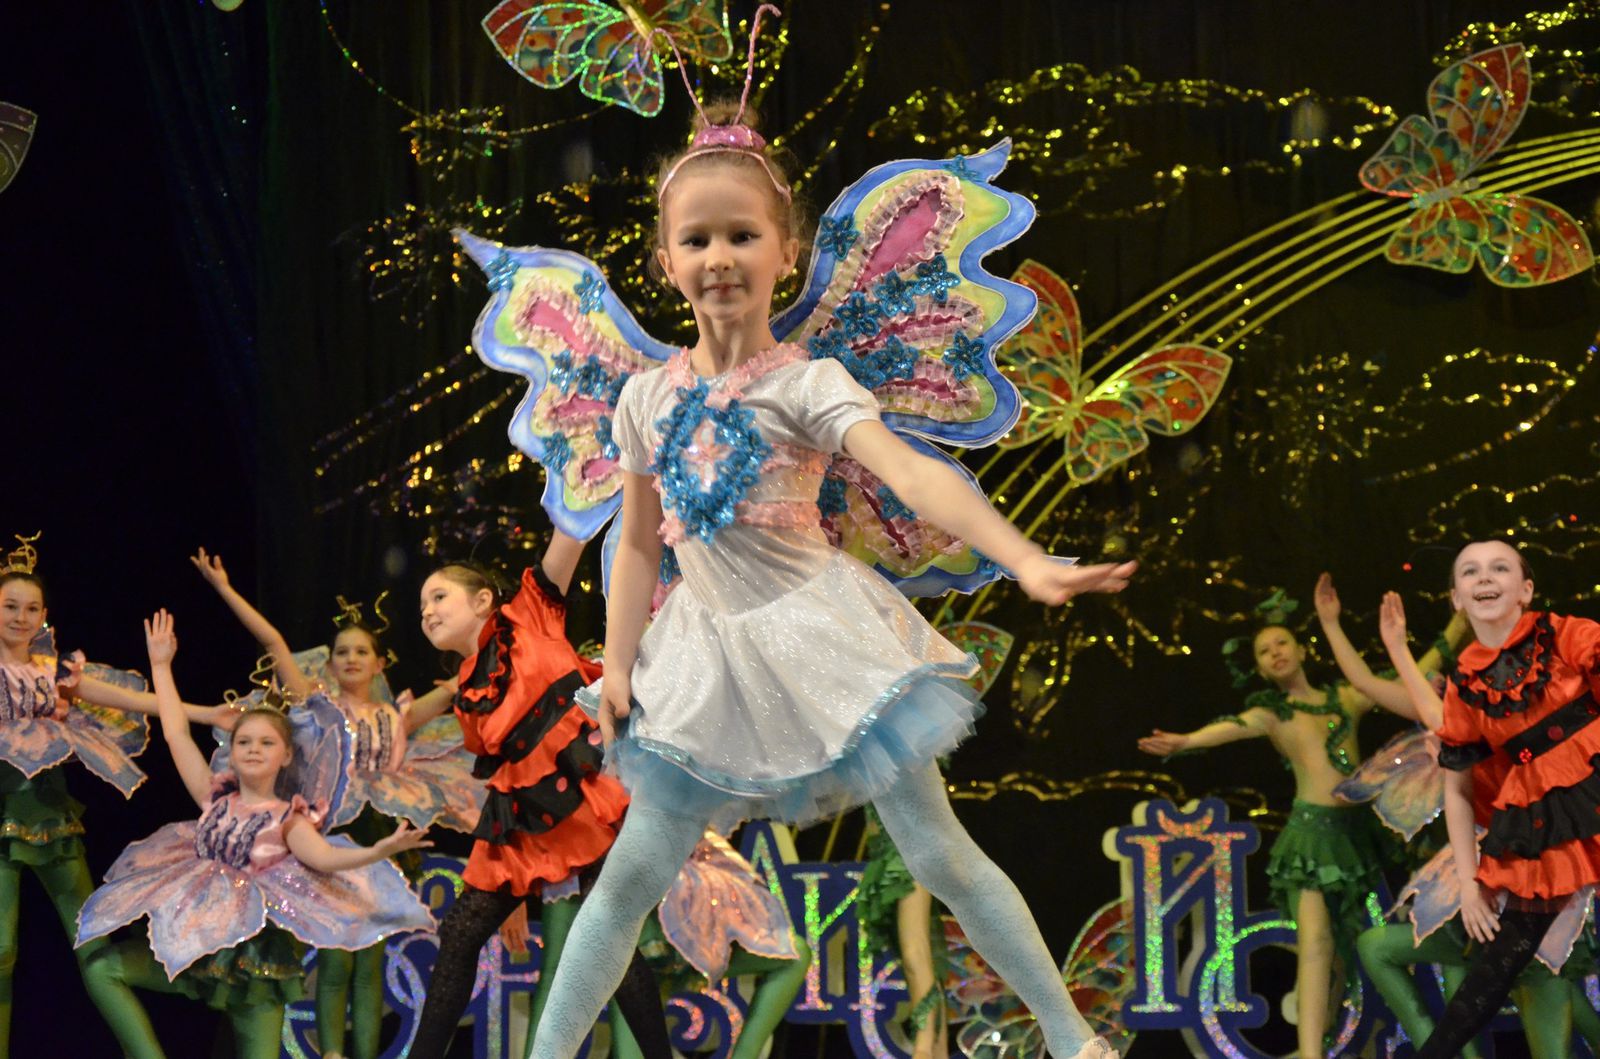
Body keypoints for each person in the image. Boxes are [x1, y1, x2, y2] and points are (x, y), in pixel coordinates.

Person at [520, 66, 1135, 1056]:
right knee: (630, 877)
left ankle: (1072, 1041)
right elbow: (634, 543)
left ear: (787, 250)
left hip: (827, 635)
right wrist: (620, 664)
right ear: (665, 261)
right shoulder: (644, 400)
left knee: (937, 851)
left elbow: (913, 475)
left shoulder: (808, 383)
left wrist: (1022, 558)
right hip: (700, 655)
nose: (720, 257)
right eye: (696, 240)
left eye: (741, 235)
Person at [75, 610, 434, 1059]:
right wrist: (162, 666)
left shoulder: (289, 819)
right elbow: (175, 732)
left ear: (287, 755)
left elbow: (324, 858)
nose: (253, 750)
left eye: (266, 743)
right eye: (244, 742)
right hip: (200, 946)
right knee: (102, 968)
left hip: (255, 966)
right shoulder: (214, 796)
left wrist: (379, 850)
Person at [1137, 575, 1461, 1059]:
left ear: (1302, 650)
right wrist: (1187, 741)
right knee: (1316, 943)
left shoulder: (1346, 697)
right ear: (1260, 670)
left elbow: (1409, 679)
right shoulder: (1274, 714)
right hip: (1310, 839)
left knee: (1348, 952)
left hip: (1355, 838)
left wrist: (1458, 626)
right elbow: (1232, 727)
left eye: (1281, 643)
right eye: (1265, 652)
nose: (1275, 654)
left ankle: (1330, 1035)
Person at [191, 548, 474, 1059]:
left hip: (377, 837)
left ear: (379, 663)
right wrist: (225, 588)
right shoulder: (319, 711)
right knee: (336, 957)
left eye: (361, 652)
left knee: (369, 961)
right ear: (329, 663)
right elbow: (274, 642)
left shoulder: (397, 716)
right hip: (331, 835)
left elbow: (461, 684)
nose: (351, 659)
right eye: (342, 652)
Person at [411, 531, 671, 1059]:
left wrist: (580, 484)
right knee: (460, 933)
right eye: (421, 608)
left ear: (482, 600)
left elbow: (569, 532)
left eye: (438, 597)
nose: (428, 612)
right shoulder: (467, 693)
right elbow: (508, 771)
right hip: (527, 819)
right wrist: (514, 889)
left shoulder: (528, 612)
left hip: (591, 792)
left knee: (608, 934)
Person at [1377, 540, 1600, 1058]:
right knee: (1503, 958)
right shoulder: (1466, 684)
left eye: (1500, 567)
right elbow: (1456, 787)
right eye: (1470, 571)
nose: (1485, 577)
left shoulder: (1566, 635)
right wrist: (1470, 881)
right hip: (1545, 812)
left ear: (1526, 589)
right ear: (1457, 598)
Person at [0, 535, 217, 1055]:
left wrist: (207, 713)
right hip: (1, 817)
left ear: (44, 615)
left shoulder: (57, 673)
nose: (20, 617)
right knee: (1, 950)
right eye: (10, 606)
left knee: (95, 948)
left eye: (31, 608)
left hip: (52, 818)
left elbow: (134, 700)